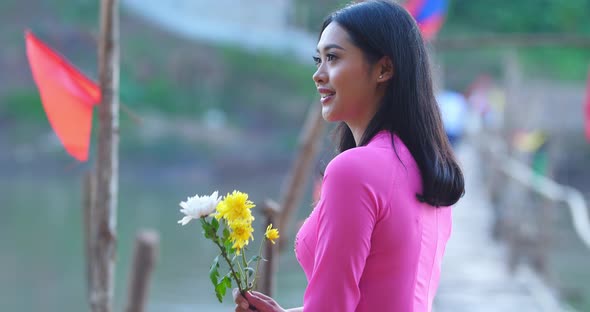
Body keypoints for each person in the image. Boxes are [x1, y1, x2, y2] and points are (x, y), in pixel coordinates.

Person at [234, 1, 464, 311]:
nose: (318, 74)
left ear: (383, 68)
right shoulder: (430, 170)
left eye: (333, 58)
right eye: (319, 59)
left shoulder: (353, 171)